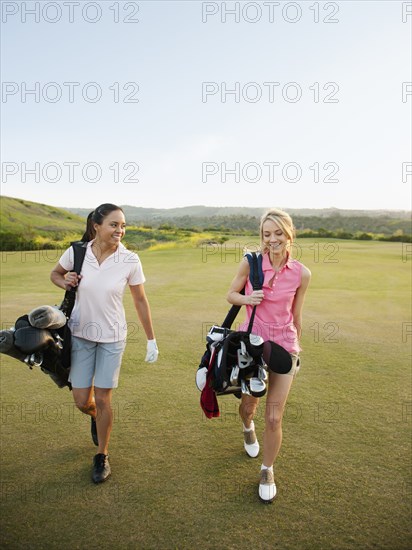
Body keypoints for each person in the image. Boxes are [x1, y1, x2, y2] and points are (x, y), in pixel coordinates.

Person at [50, 203, 158, 483]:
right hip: (81, 335)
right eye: (114, 225)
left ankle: (102, 455)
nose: (120, 230)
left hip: (112, 337)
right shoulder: (77, 252)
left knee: (103, 397)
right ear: (96, 226)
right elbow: (56, 274)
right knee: (81, 400)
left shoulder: (130, 259)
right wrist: (65, 281)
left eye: (123, 225)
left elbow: (140, 300)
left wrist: (151, 339)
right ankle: (95, 416)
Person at [226, 208, 311, 503]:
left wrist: (297, 349)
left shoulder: (302, 273)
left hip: (285, 347)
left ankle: (267, 469)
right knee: (249, 407)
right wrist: (249, 298)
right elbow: (230, 295)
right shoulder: (251, 263)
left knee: (274, 416)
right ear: (261, 236)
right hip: (253, 345)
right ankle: (247, 428)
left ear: (289, 234)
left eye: (278, 233)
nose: (272, 239)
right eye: (266, 234)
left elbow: (296, 314)